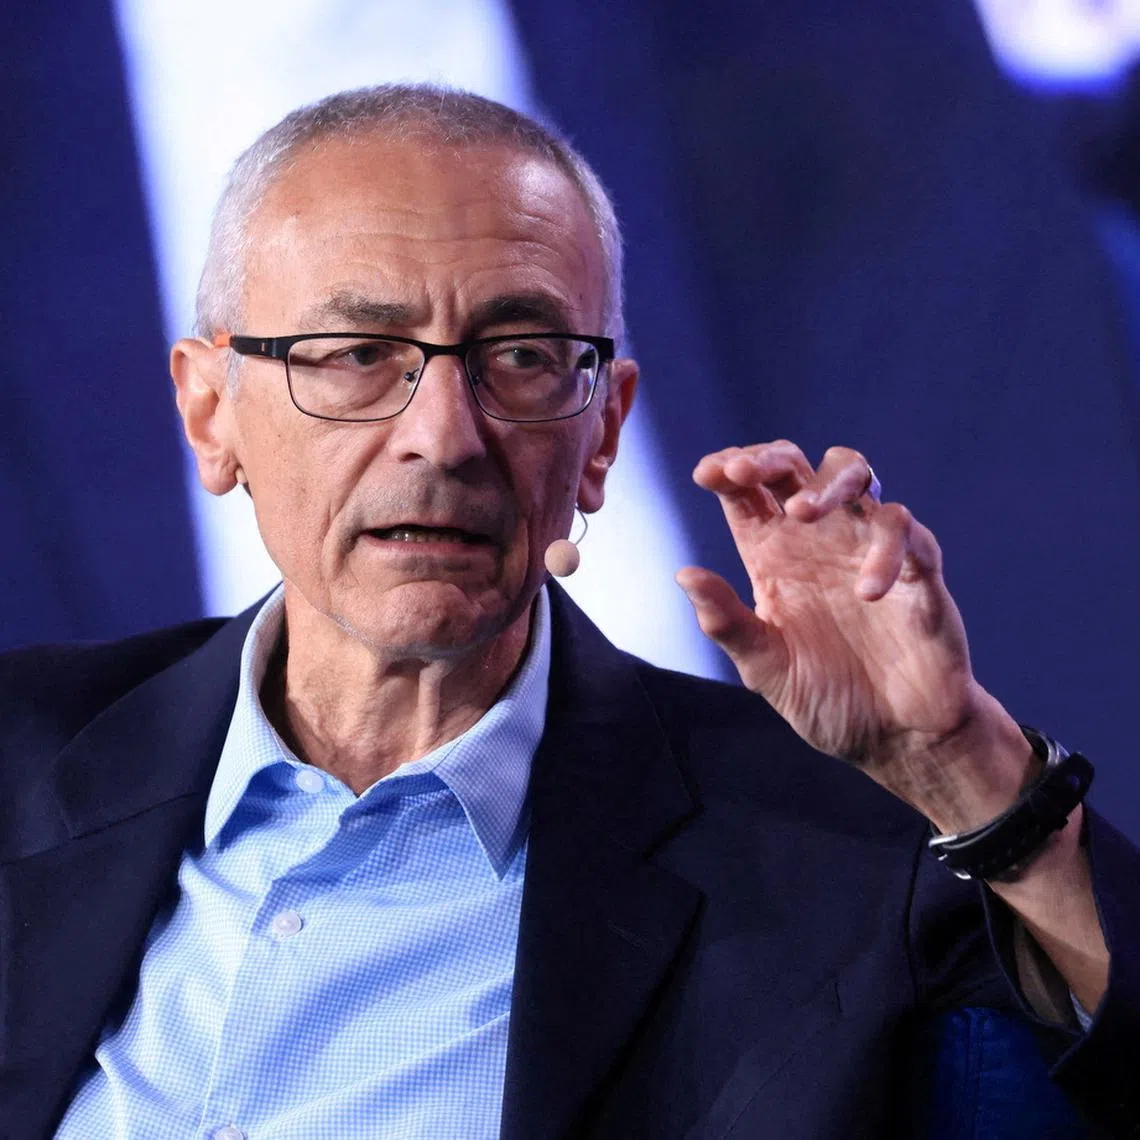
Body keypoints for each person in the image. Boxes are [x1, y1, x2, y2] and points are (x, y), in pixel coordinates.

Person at [1, 85, 1136, 1140]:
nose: (444, 435)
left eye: (525, 356)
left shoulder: (834, 850)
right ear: (211, 412)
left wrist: (964, 768)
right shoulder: (26, 751)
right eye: (356, 355)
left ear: (601, 431)